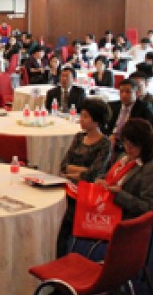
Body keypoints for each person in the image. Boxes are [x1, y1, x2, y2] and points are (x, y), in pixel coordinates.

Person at [56, 98, 112, 256]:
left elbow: (93, 173)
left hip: (86, 192)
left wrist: (73, 171)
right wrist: (80, 171)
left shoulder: (105, 143)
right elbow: (63, 165)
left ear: (97, 120)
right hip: (68, 185)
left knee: (63, 217)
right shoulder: (79, 137)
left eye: (86, 116)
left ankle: (60, 256)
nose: (81, 119)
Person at [95, 118, 153, 218]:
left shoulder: (151, 168)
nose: (127, 148)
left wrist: (119, 195)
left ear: (144, 145)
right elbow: (112, 177)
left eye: (133, 145)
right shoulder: (124, 157)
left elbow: (148, 207)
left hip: (124, 215)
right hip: (105, 205)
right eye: (125, 143)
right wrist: (100, 180)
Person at [107, 79, 153, 150]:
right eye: (121, 92)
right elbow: (103, 124)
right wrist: (110, 135)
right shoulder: (112, 106)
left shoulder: (144, 108)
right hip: (111, 140)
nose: (124, 95)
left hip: (131, 144)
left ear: (136, 93)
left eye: (128, 92)